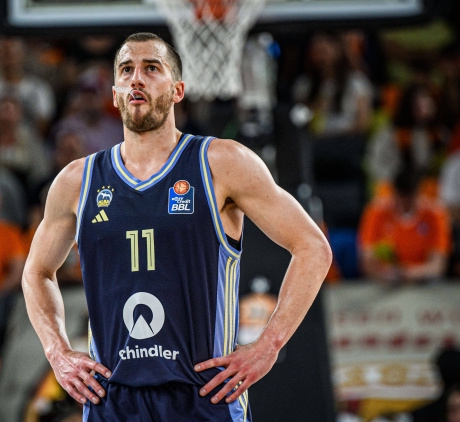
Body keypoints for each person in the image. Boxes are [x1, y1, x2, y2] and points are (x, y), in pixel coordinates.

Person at [22, 32, 332, 420]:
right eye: (126, 70)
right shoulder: (77, 181)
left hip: (204, 398)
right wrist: (57, 351)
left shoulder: (221, 162)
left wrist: (268, 345)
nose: (137, 78)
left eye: (151, 68)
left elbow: (313, 247)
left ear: (178, 90)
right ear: (115, 94)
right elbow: (36, 272)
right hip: (113, 400)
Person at [359, 171, 450, 284]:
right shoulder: (376, 212)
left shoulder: (435, 214)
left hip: (424, 282)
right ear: (394, 193)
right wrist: (385, 275)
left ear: (418, 193)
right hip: (386, 282)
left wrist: (407, 273)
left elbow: (438, 265)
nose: (405, 203)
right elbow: (367, 259)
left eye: (410, 198)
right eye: (402, 197)